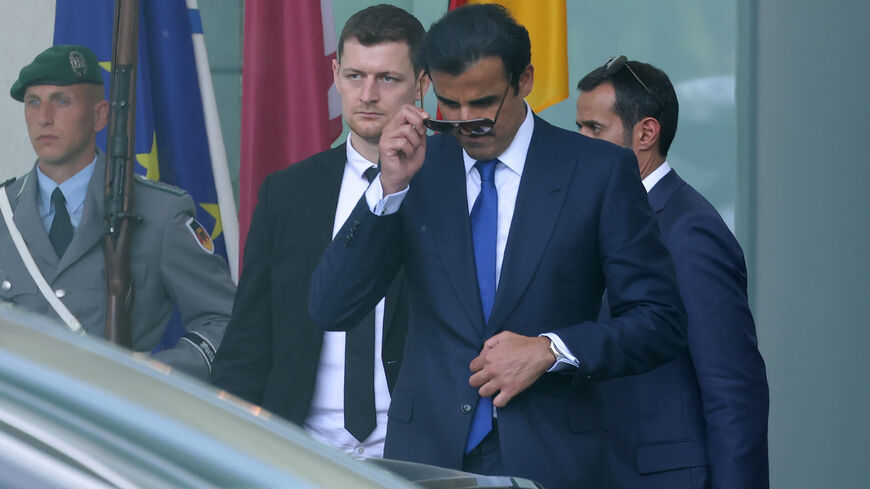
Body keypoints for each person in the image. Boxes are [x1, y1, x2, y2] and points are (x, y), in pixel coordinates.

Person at [309, 5, 688, 488]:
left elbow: (661, 321)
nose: (467, 123)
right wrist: (386, 190)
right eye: (451, 104)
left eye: (484, 104)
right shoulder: (415, 166)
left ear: (525, 79)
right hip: (427, 460)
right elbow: (332, 305)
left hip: (550, 457)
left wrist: (552, 349)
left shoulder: (597, 172)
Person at [211, 5, 426, 458]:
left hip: (416, 454)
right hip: (298, 450)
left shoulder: (455, 186)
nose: (367, 94)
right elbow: (249, 339)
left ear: (422, 83)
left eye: (387, 78)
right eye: (353, 76)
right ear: (334, 73)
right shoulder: (287, 192)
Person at [576, 57, 769, 488]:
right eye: (580, 129)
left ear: (646, 133)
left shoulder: (689, 229)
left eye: (595, 129)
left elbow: (733, 390)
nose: (582, 143)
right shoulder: (602, 214)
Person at [0, 45, 235, 381]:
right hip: (21, 424)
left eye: (62, 100)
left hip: (115, 421)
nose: (44, 117)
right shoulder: (5, 212)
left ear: (99, 115)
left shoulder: (160, 214)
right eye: (33, 102)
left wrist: (157, 375)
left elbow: (224, 319)